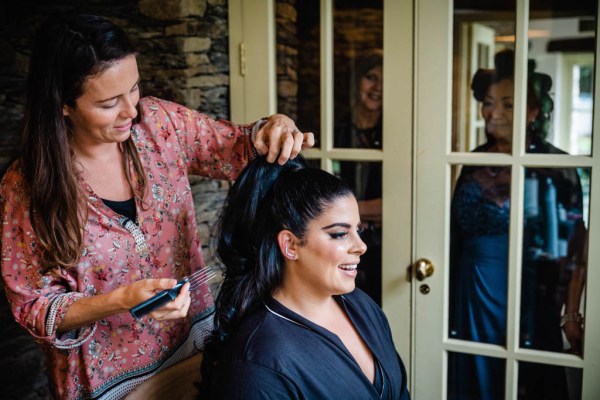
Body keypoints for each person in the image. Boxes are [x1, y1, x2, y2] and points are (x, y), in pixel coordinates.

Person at [0, 12, 313, 400]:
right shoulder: (27, 184)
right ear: (64, 105)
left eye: (134, 88)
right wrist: (121, 300)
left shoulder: (159, 123)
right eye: (109, 102)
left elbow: (241, 148)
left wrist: (274, 126)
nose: (131, 110)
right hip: (105, 379)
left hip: (194, 345)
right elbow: (34, 305)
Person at [200, 155, 410, 399]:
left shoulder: (362, 306)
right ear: (290, 245)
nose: (361, 246)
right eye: (340, 234)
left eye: (358, 230)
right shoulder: (257, 363)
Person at [448, 49, 587, 399]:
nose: (495, 113)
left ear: (533, 111)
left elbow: (574, 247)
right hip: (469, 293)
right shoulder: (470, 160)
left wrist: (571, 314)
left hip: (528, 294)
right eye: (489, 102)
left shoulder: (555, 164)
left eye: (509, 104)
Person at [334, 49, 384, 304]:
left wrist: (344, 213)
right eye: (371, 77)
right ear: (356, 82)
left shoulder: (395, 134)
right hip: (339, 246)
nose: (379, 87)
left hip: (386, 246)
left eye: (386, 80)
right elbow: (324, 202)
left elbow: (398, 205)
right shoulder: (336, 131)